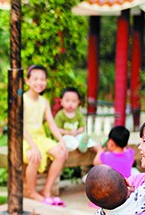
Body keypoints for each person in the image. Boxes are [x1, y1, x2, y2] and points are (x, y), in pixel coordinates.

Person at [22, 65, 68, 206]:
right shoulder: (22, 99)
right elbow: (21, 126)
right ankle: (31, 191)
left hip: (40, 138)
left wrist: (62, 141)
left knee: (61, 153)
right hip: (25, 139)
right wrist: (33, 146)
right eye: (35, 79)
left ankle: (46, 190)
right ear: (27, 81)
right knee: (34, 156)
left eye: (42, 79)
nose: (39, 82)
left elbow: (52, 124)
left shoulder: (44, 101)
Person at [54, 87, 101, 154]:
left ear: (78, 102)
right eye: (67, 101)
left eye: (74, 101)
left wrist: (77, 131)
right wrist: (68, 132)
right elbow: (57, 129)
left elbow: (82, 127)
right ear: (61, 102)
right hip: (64, 137)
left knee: (83, 137)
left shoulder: (78, 114)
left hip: (76, 135)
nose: (70, 104)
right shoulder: (60, 115)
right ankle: (80, 147)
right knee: (69, 140)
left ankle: (95, 147)